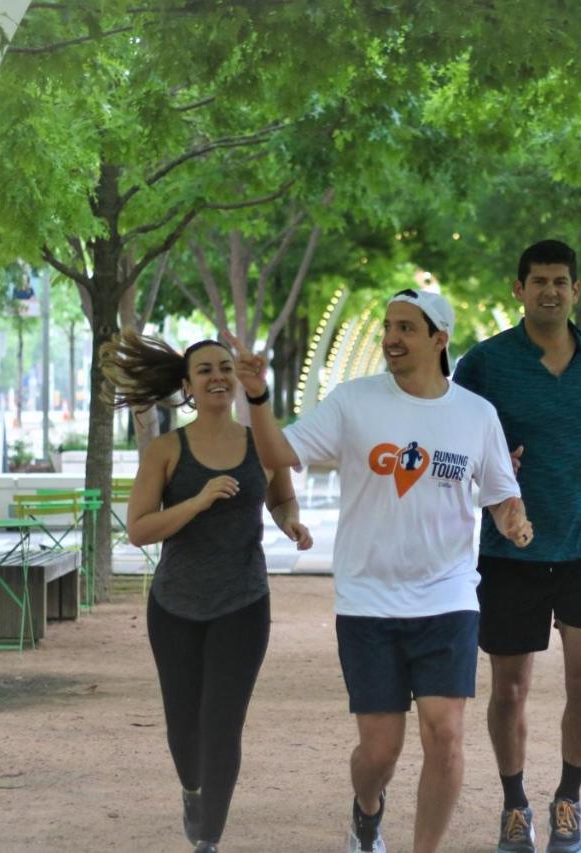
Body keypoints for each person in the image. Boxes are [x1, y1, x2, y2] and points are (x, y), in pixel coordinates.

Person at [224, 289, 534, 853]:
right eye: (389, 326)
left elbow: (500, 495)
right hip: (368, 602)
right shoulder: (353, 402)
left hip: (448, 597)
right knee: (380, 752)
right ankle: (367, 810)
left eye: (406, 328)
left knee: (446, 734)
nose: (391, 337)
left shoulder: (475, 414)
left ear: (439, 339)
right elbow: (275, 454)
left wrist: (514, 521)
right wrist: (258, 397)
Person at [100, 330, 313, 853]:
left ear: (238, 378)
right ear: (188, 387)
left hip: (242, 602)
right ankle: (193, 791)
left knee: (222, 723)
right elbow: (139, 529)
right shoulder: (167, 451)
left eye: (225, 367)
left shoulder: (261, 444)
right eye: (205, 370)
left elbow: (283, 498)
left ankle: (209, 839)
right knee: (183, 724)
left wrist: (291, 524)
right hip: (175, 605)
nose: (218, 376)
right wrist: (197, 501)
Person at [453, 239, 581, 853]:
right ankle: (514, 806)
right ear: (519, 289)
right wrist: (492, 466)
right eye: (539, 281)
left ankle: (569, 802)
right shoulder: (483, 363)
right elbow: (458, 445)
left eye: (561, 281)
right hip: (511, 549)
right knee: (509, 689)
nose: (550, 291)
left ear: (576, 290)